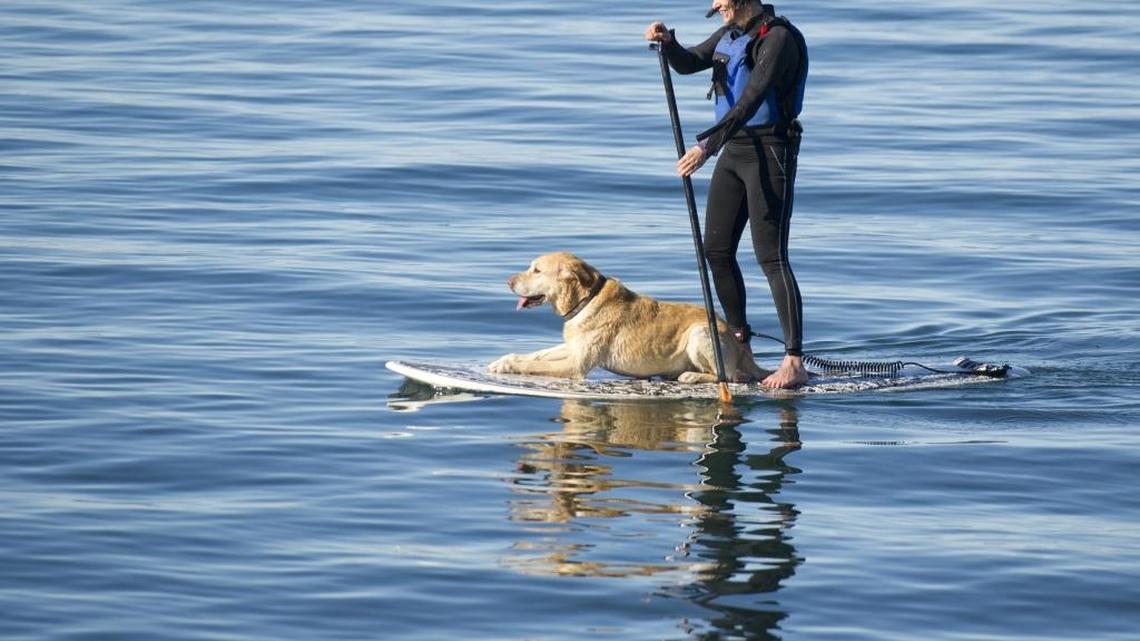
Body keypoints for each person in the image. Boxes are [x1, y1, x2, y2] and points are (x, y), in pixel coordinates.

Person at [645, 0, 809, 388]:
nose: (716, 4)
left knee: (770, 256)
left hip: (770, 150)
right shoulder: (730, 34)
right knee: (716, 251)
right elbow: (688, 63)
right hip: (734, 150)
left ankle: (794, 361)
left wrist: (706, 146)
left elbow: (751, 98)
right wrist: (669, 44)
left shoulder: (779, 38)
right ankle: (741, 348)